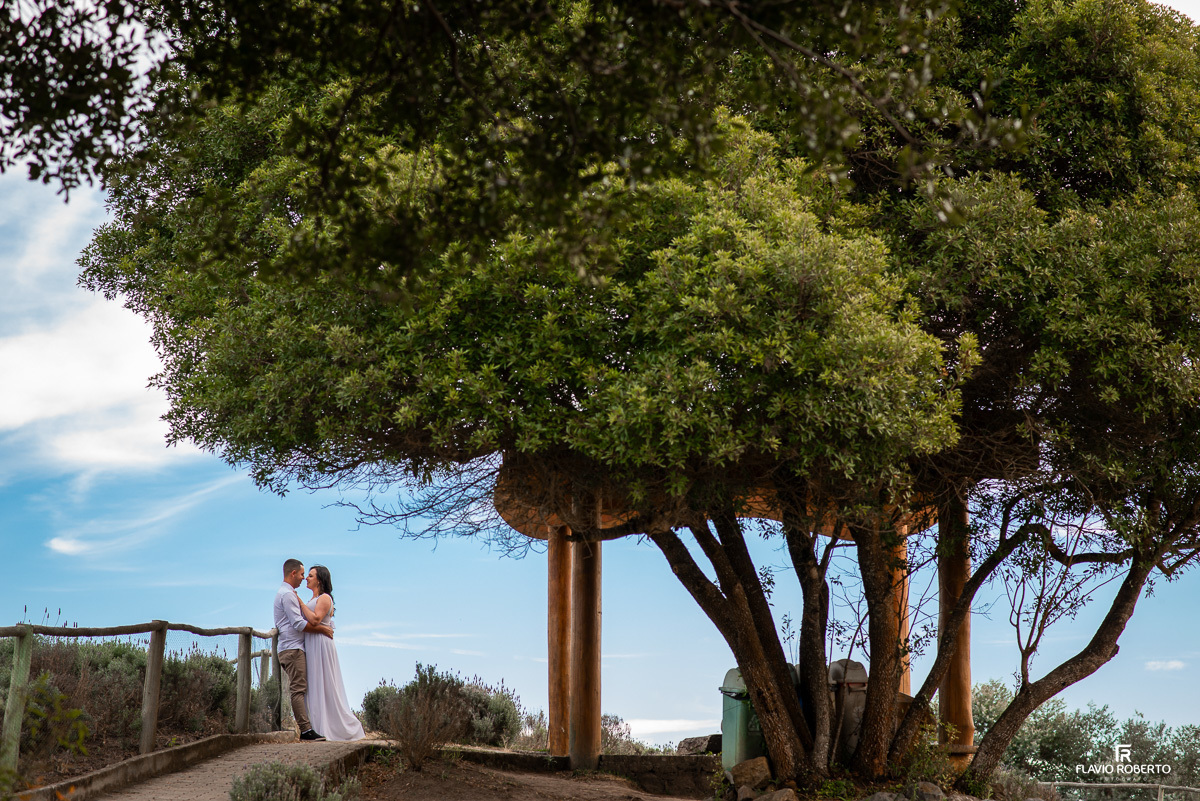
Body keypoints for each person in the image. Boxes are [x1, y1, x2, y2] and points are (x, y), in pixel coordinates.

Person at [293, 564, 366, 741]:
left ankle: (339, 727)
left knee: (324, 682)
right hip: (311, 644)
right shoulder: (314, 598)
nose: (306, 578)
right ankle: (318, 726)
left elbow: (316, 619)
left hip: (321, 645)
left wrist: (300, 602)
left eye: (310, 576)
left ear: (319, 579)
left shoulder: (324, 598)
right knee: (314, 684)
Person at [273, 558, 333, 741]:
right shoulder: (288, 595)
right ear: (293, 574)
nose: (303, 578)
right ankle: (306, 731)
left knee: (302, 688)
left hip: (295, 648)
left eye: (308, 575)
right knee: (299, 689)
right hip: (293, 649)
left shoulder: (289, 594)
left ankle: (312, 726)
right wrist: (322, 628)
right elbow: (299, 624)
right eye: (301, 574)